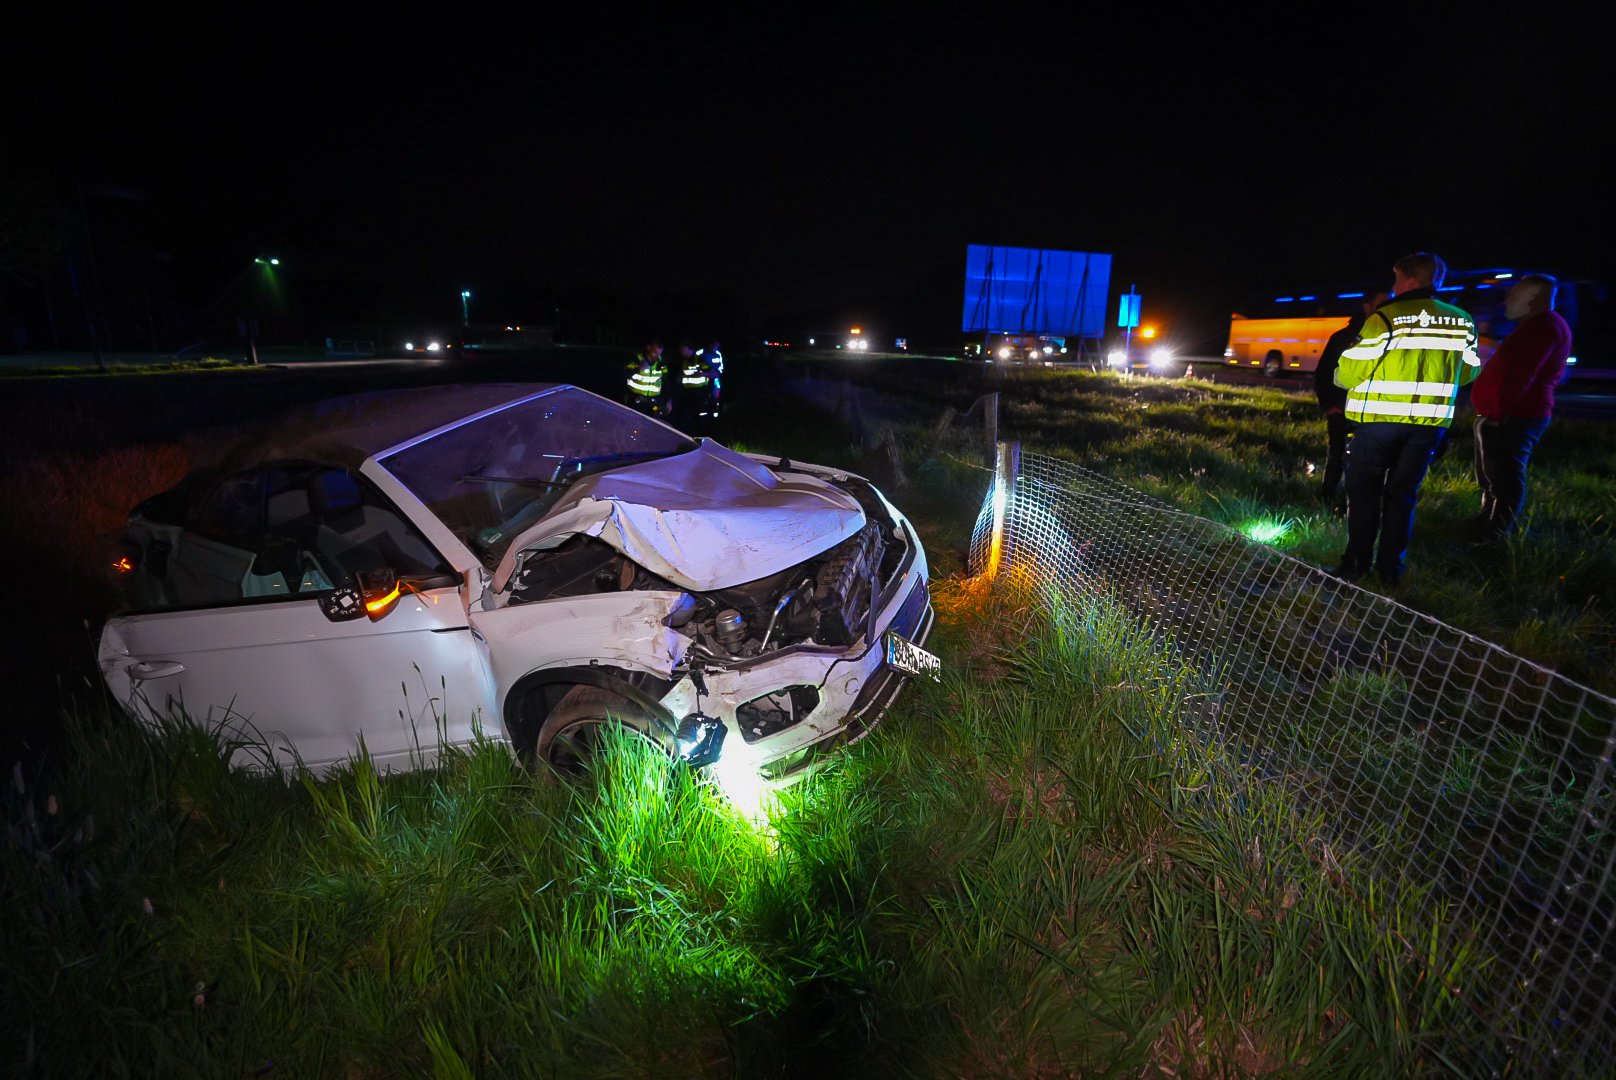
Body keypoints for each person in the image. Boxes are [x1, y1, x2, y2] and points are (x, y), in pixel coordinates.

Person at [1328, 252, 1481, 585]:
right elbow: (1468, 372)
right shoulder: (1463, 321)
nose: (1394, 286)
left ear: (1410, 280)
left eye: (1396, 278)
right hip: (1429, 428)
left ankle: (1355, 566)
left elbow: (1351, 372)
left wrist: (1339, 377)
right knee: (1403, 497)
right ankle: (1390, 571)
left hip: (1378, 424)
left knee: (1365, 495)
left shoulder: (1386, 318)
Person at [1469, 273, 1573, 537]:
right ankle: (1487, 521)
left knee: (1504, 475)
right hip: (1506, 414)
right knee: (1494, 474)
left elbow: (1520, 376)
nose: (1507, 300)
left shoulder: (1543, 328)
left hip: (1515, 416)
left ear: (1532, 299)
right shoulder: (1534, 327)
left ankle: (1496, 531)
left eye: (1514, 295)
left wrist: (1497, 412)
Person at [1314, 290, 1389, 507]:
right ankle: (1327, 497)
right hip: (1341, 410)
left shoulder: (1390, 335)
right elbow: (1324, 373)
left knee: (1370, 463)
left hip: (1373, 414)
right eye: (1382, 302)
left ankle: (1356, 503)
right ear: (1367, 306)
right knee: (1337, 455)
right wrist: (1330, 406)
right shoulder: (1343, 337)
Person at [624, 340, 668, 415]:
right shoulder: (636, 359)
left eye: (659, 353)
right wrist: (638, 369)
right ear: (648, 348)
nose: (657, 356)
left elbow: (666, 381)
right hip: (635, 400)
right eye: (655, 352)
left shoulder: (661, 362)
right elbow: (623, 375)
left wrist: (669, 400)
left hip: (654, 402)